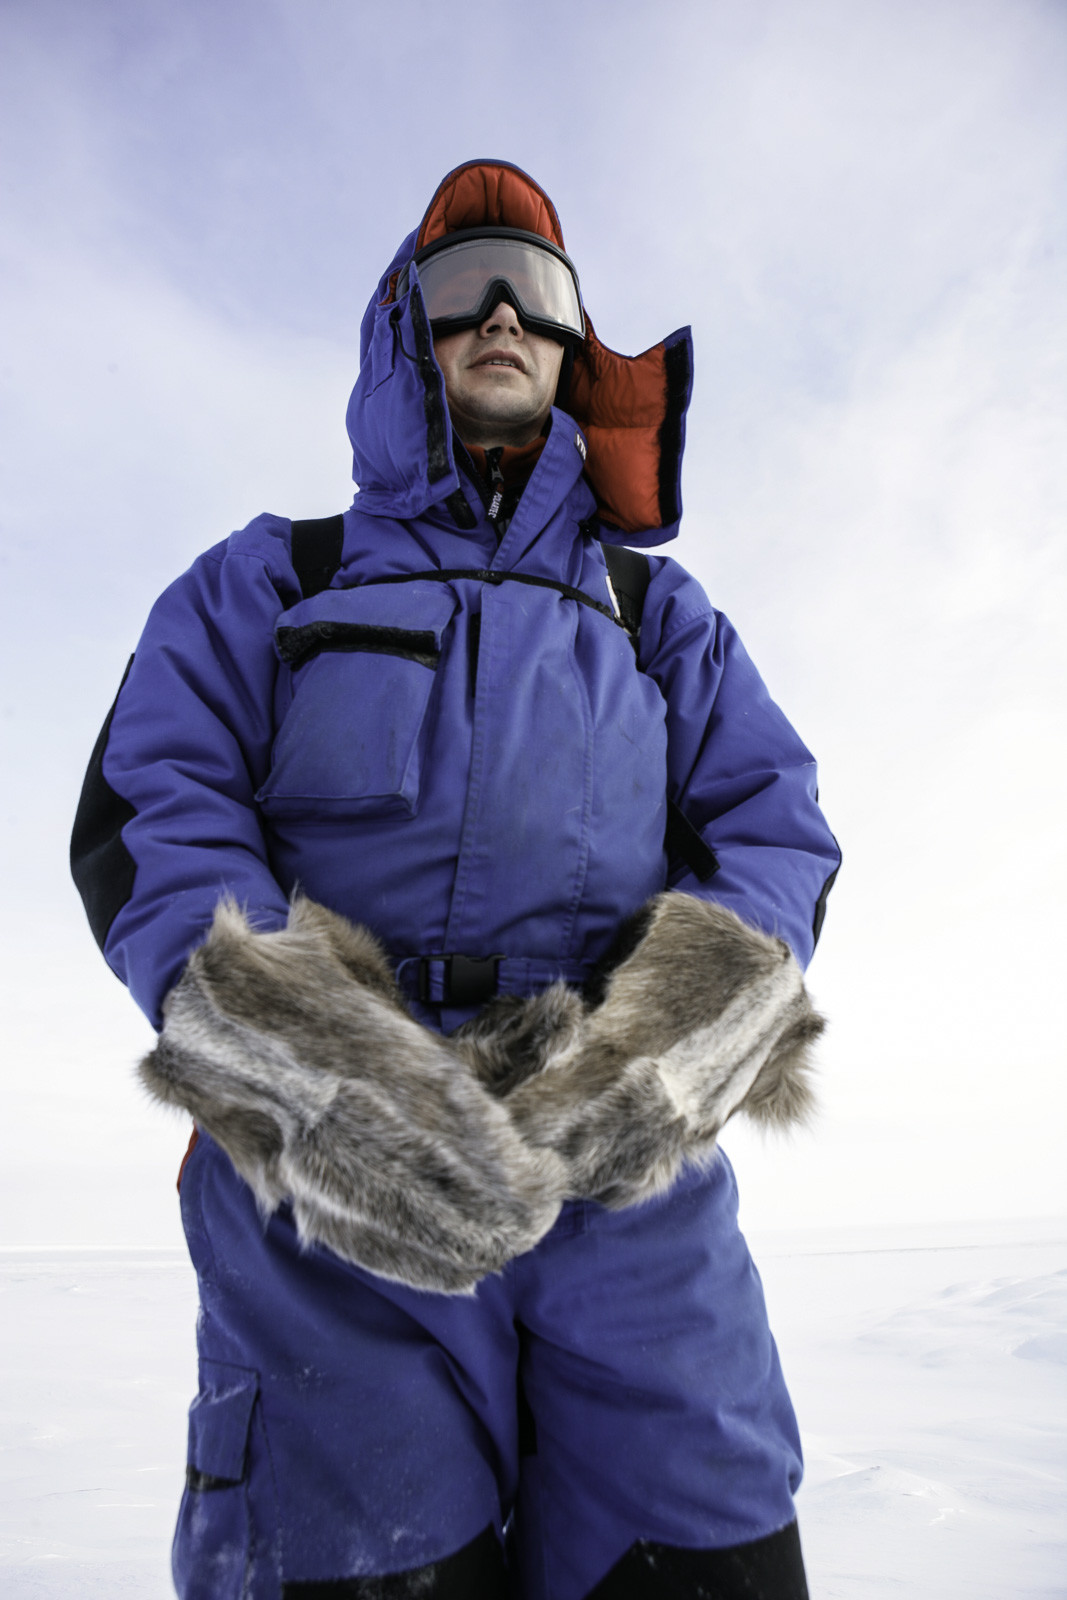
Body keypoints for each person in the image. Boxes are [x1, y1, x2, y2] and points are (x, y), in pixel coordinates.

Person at [71, 160, 840, 1600]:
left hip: (619, 1164)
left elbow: (775, 825)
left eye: (536, 296)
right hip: (333, 1192)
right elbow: (149, 807)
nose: (497, 313)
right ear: (399, 333)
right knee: (358, 1560)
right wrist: (309, 1076)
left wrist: (664, 1061)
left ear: (569, 355)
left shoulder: (658, 617)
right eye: (457, 288)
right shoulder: (271, 583)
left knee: (709, 1541)